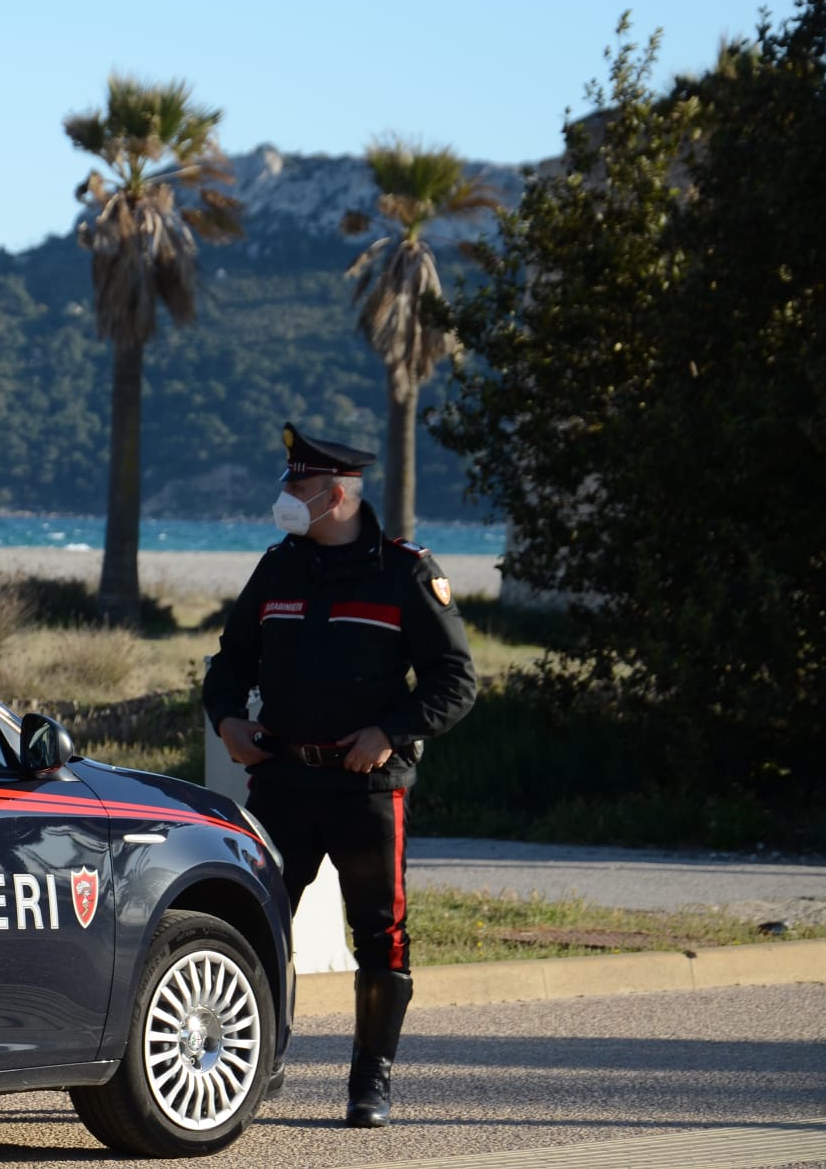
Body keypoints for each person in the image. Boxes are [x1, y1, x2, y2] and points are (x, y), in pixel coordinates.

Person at [203, 421, 476, 1129]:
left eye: (298, 488)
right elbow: (230, 661)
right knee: (255, 925)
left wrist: (390, 733)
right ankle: (256, 1068)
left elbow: (455, 681)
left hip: (367, 790)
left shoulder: (406, 572)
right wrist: (227, 721)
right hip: (282, 783)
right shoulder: (278, 567)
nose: (285, 499)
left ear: (337, 496)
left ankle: (370, 1083)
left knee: (381, 935)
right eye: (288, 485)